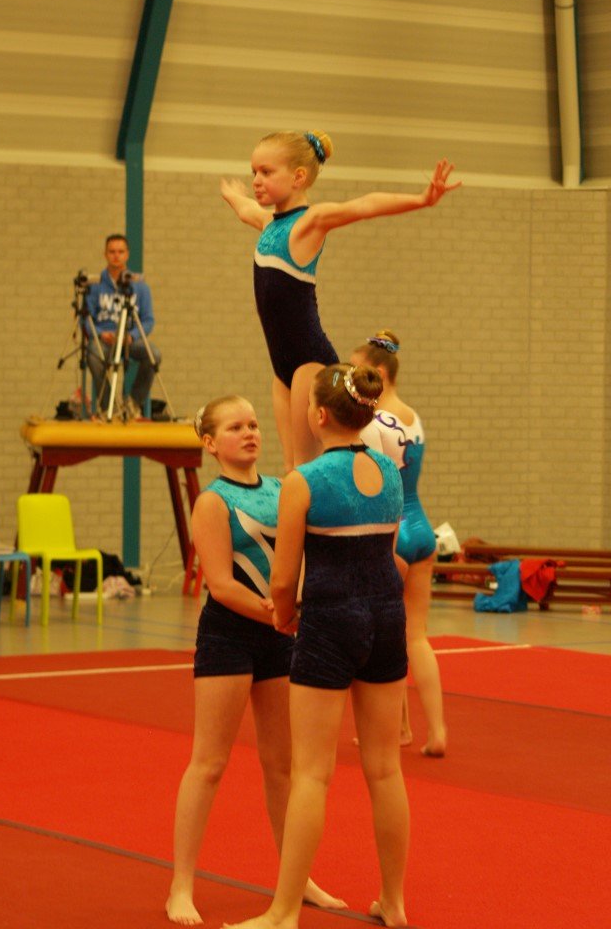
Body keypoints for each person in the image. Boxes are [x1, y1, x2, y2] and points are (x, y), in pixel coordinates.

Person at [226, 364, 410, 929]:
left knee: (311, 773)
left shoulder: (304, 481)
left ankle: (284, 911)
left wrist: (282, 617)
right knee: (385, 769)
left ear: (319, 414)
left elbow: (283, 579)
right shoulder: (390, 471)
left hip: (330, 623)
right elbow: (392, 555)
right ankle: (394, 902)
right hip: (386, 620)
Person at [165, 395, 345, 926]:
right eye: (235, 427)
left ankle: (296, 879)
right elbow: (221, 585)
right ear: (210, 443)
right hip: (230, 636)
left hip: (278, 635)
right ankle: (181, 884)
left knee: (282, 766)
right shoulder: (212, 502)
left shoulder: (282, 489)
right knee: (209, 763)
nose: (249, 433)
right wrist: (278, 613)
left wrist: (296, 605)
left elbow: (298, 560)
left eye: (253, 424)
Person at [220, 130, 460, 469]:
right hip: (282, 367)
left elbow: (363, 206)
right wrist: (233, 195)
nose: (256, 180)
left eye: (266, 171)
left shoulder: (309, 222)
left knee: (306, 468)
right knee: (291, 469)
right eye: (253, 172)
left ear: (298, 177)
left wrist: (422, 199)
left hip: (309, 361)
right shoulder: (269, 224)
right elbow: (247, 210)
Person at [353, 330, 446, 757]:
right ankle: (435, 731)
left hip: (391, 533)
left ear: (378, 372)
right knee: (416, 637)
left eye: (356, 371)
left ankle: (396, 728)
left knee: (384, 636)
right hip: (422, 527)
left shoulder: (371, 422)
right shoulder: (413, 417)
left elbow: (373, 485)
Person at [84, 233, 160, 419]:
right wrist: (101, 334)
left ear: (127, 255)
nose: (116, 256)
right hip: (105, 340)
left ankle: (133, 403)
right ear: (105, 254)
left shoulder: (140, 286)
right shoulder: (95, 285)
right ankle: (109, 406)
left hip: (129, 340)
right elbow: (86, 319)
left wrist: (132, 336)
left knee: (153, 354)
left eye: (120, 252)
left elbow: (148, 320)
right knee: (93, 353)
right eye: (112, 252)